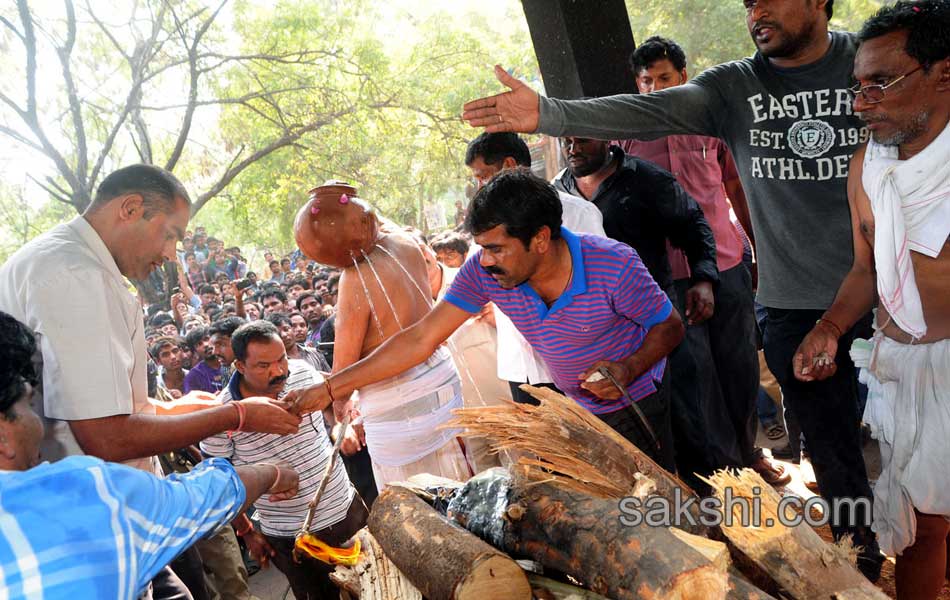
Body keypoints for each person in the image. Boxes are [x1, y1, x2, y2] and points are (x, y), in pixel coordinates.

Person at [460, 0, 885, 579]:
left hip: (898, 295)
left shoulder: (874, 63)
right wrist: (549, 112)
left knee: (919, 441)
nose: (756, 10)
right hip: (796, 309)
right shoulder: (734, 87)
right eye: (747, 2)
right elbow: (641, 111)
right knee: (836, 456)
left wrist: (721, 269)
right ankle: (859, 570)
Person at [289, 170, 683, 471]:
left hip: (635, 402)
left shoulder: (612, 263)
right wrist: (332, 388)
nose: (486, 260)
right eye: (481, 248)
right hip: (568, 407)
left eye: (497, 249)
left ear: (541, 239)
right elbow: (421, 338)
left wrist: (628, 368)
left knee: (651, 505)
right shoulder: (484, 270)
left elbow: (670, 326)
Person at [793, 3, 949, 597]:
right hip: (902, 366)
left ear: (944, 73)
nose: (862, 101)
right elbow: (867, 267)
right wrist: (831, 326)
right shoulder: (868, 168)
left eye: (881, 83)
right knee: (917, 527)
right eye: (857, 86)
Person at [0, 310, 300, 599]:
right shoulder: (76, 495)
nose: (38, 423)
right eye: (28, 405)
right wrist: (266, 466)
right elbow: (196, 499)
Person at [616, 35, 787, 486]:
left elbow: (738, 190)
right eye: (646, 81)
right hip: (668, 277)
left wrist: (758, 252)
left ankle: (751, 454)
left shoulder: (712, 124)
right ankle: (728, 474)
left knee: (740, 365)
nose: (655, 89)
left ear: (684, 77)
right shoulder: (625, 135)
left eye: (664, 78)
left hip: (727, 262)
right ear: (637, 84)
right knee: (698, 376)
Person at [292, 181, 472, 489]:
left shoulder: (354, 277)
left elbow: (345, 369)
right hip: (441, 376)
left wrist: (340, 411)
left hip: (398, 402)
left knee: (419, 505)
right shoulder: (405, 242)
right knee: (461, 487)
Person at [201, 321, 365, 600]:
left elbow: (331, 406)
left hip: (345, 511)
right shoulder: (224, 415)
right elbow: (220, 478)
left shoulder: (302, 373)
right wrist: (247, 531)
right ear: (240, 366)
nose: (278, 371)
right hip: (289, 536)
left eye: (281, 359)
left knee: (376, 586)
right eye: (264, 366)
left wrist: (342, 426)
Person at [464, 132, 607, 405]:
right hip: (520, 367)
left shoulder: (578, 214)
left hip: (576, 363)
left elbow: (599, 286)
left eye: (483, 176)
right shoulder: (485, 223)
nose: (481, 186)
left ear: (508, 165)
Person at [184, 326, 226, 394]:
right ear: (195, 352)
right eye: (199, 344)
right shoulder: (194, 376)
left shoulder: (231, 361)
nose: (205, 345)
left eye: (206, 339)